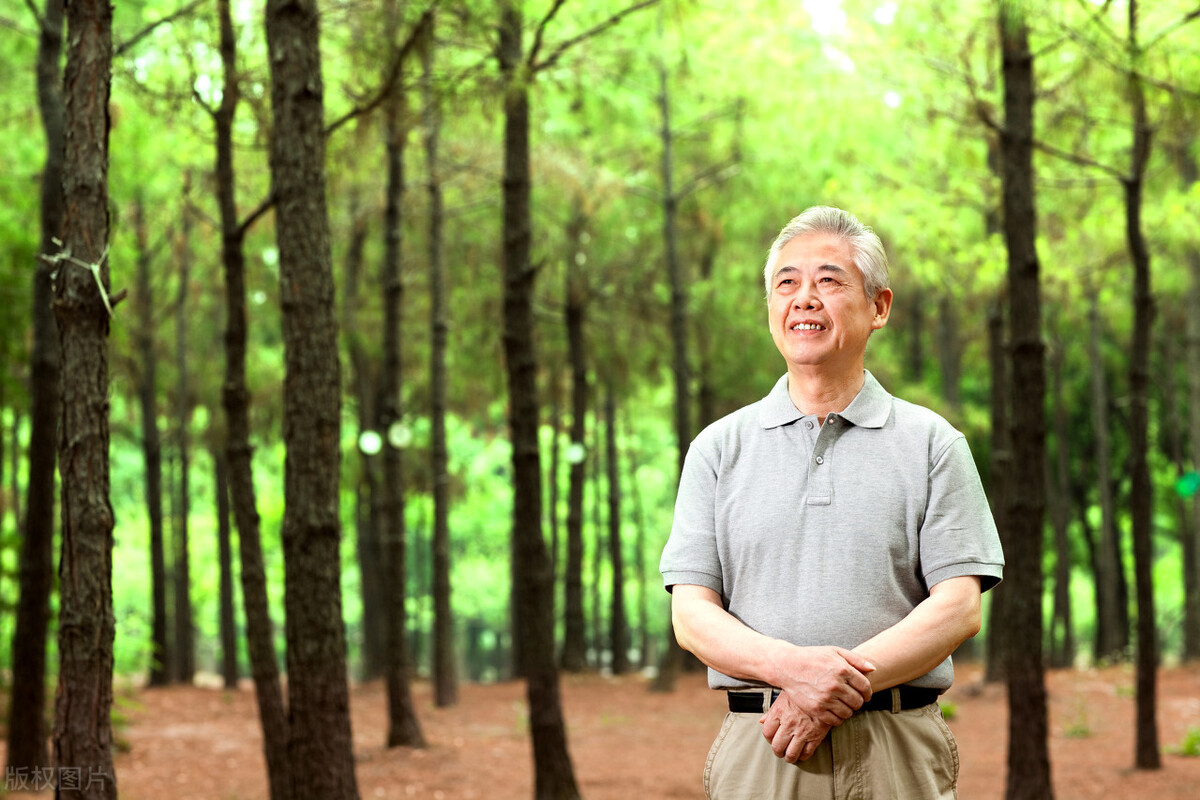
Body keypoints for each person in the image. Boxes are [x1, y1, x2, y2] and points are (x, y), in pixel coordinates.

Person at [660, 206, 1004, 799]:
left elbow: (958, 609)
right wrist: (792, 671)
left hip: (895, 748)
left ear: (879, 307)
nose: (804, 298)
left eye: (829, 280)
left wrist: (830, 689)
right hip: (765, 746)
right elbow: (691, 615)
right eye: (786, 283)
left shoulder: (934, 445)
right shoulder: (717, 449)